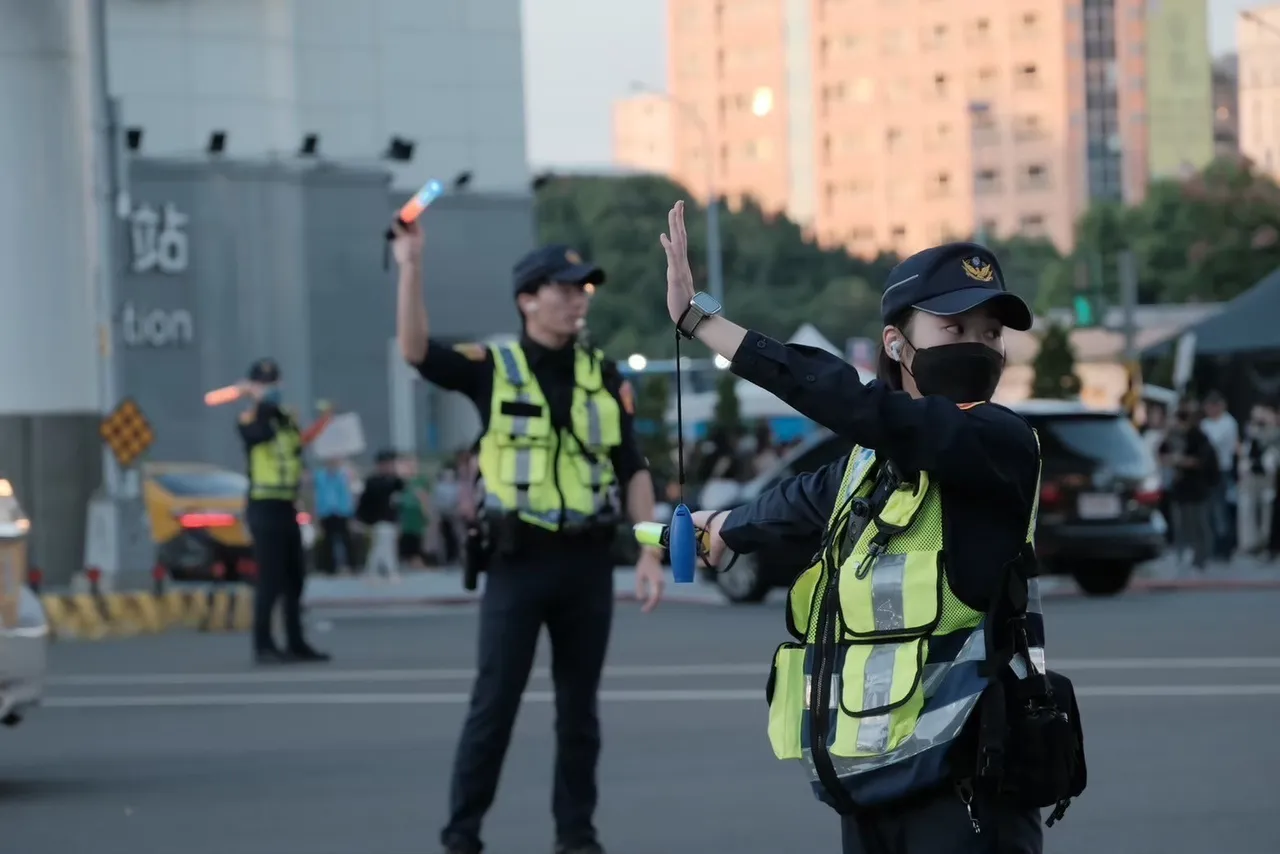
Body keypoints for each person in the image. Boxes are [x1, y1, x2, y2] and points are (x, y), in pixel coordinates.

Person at [661, 201, 1081, 854]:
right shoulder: (866, 464)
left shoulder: (998, 441)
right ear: (897, 343)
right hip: (873, 783)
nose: (978, 344)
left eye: (991, 331)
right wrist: (725, 527)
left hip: (970, 792)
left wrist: (701, 323)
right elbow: (794, 503)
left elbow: (860, 405)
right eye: (955, 326)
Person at [391, 220, 666, 854]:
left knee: (580, 715)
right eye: (564, 288)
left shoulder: (604, 372)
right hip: (518, 562)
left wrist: (649, 548)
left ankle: (577, 837)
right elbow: (416, 351)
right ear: (527, 299)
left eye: (584, 289)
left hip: (587, 562)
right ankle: (462, 836)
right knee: (494, 706)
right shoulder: (493, 367)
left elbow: (631, 468)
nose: (577, 299)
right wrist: (410, 267)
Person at [236, 358, 332, 665]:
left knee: (295, 578)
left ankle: (296, 642)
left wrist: (322, 421)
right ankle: (263, 645)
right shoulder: (250, 417)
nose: (272, 389)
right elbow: (258, 436)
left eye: (274, 383)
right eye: (265, 383)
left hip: (287, 505)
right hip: (263, 507)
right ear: (253, 387)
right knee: (270, 579)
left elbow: (295, 447)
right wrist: (262, 403)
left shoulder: (286, 418)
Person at [1159, 402, 1218, 571]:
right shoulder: (1173, 436)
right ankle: (1182, 554)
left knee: (1199, 523)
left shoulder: (1199, 437)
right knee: (1180, 523)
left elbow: (1199, 461)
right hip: (1179, 486)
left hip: (1197, 486)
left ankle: (1202, 557)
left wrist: (1179, 460)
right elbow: (1161, 454)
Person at [1199, 391, 1239, 558]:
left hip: (1222, 470)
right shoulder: (1205, 424)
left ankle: (1224, 547)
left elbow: (1212, 442)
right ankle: (1211, 544)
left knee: (1220, 509)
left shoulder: (1228, 423)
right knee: (1208, 509)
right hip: (1206, 472)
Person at [1236, 404, 1278, 555]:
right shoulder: (1248, 432)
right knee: (1248, 509)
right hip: (1251, 476)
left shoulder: (1274, 433)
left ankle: (1264, 542)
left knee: (1267, 510)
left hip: (1267, 477)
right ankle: (1249, 543)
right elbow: (1245, 451)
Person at [357, 450, 405, 581]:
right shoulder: (373, 481)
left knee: (384, 546)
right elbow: (366, 502)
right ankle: (388, 571)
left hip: (391, 520)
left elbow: (400, 491)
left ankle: (373, 571)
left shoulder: (395, 481)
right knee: (382, 545)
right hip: (378, 519)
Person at [313, 457, 356, 575]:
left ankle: (350, 565)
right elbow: (318, 495)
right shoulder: (320, 477)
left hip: (341, 511)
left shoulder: (343, 476)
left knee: (345, 538)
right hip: (326, 511)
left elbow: (347, 494)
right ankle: (328, 567)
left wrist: (350, 512)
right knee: (328, 540)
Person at [397, 454, 433, 568]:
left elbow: (426, 497)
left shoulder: (421, 480)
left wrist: (427, 513)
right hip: (404, 518)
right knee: (405, 539)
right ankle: (407, 559)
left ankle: (418, 560)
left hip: (418, 516)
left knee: (418, 539)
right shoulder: (400, 482)